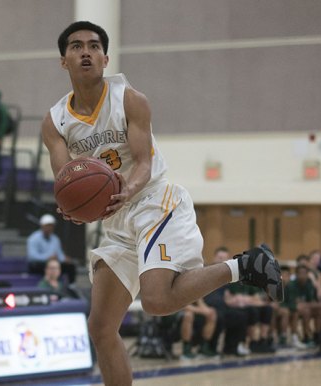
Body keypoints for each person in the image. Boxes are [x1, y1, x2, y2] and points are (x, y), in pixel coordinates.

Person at [41, 21, 283, 386]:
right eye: (76, 46)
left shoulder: (129, 99)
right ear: (64, 61)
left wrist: (128, 188)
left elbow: (144, 163)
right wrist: (71, 208)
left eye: (93, 46)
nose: (85, 52)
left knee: (155, 301)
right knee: (101, 326)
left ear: (105, 58)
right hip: (117, 221)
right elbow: (66, 180)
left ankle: (245, 266)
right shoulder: (55, 121)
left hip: (155, 200)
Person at [26, 213, 76, 282]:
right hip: (38, 264)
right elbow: (32, 256)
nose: (49, 228)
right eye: (47, 226)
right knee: (50, 267)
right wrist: (47, 257)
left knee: (70, 266)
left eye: (51, 226)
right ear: (42, 226)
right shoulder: (33, 238)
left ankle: (71, 286)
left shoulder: (55, 238)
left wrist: (64, 259)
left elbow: (59, 253)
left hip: (52, 263)